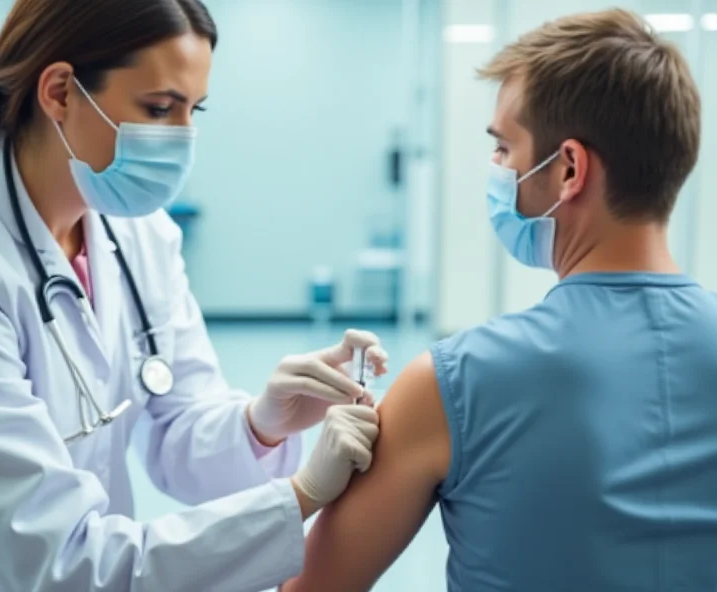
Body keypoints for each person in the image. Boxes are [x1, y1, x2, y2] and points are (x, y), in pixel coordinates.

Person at [0, 1, 388, 591]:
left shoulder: (137, 232)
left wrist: (263, 422)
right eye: (160, 108)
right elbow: (62, 564)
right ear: (60, 92)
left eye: (194, 110)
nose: (184, 138)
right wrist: (302, 495)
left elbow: (178, 433)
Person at [282, 9, 717, 592]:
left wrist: (305, 488)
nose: (497, 170)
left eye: (504, 149)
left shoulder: (451, 384)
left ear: (568, 169)